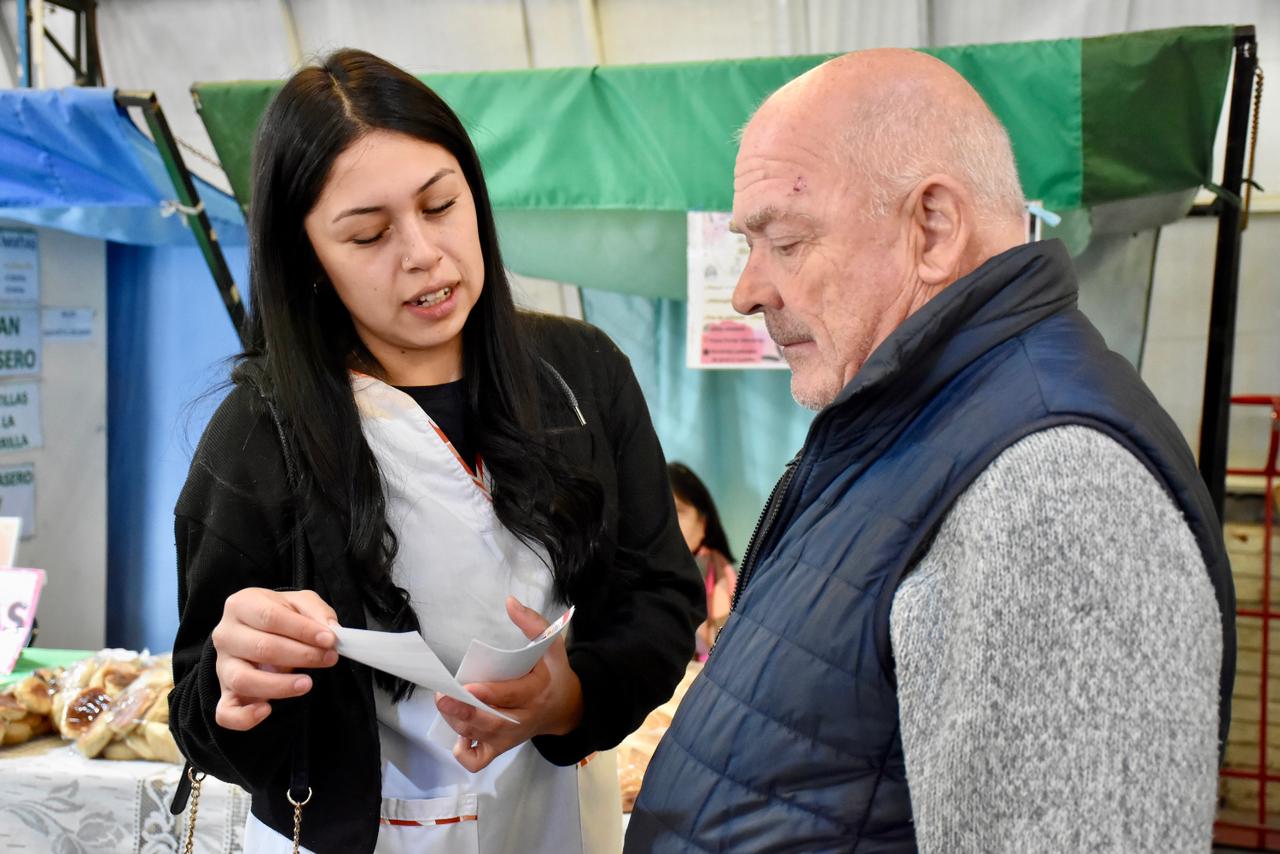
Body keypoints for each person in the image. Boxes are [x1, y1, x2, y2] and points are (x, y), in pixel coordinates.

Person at [627, 48, 1234, 852]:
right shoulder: (918, 423)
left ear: (934, 230)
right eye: (748, 243)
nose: (746, 290)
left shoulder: (1053, 487)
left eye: (785, 240)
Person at [167, 48, 703, 854]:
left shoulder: (582, 375)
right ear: (308, 260)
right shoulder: (259, 431)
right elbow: (200, 717)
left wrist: (568, 698)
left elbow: (661, 597)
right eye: (370, 234)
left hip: (559, 815)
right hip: (356, 832)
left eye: (441, 204)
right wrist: (232, 688)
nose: (422, 253)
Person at [667, 462, 737, 660]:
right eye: (662, 513)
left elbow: (723, 648)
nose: (668, 523)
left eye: (677, 511)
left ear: (703, 521)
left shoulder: (719, 577)